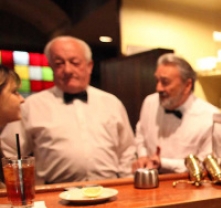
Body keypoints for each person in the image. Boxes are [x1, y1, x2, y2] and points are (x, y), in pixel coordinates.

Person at [0, 36, 136, 184]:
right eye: (59, 64)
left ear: (89, 66)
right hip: (54, 192)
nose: (68, 70)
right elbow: (10, 152)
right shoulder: (31, 105)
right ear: (51, 67)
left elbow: (126, 151)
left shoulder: (111, 102)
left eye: (74, 62)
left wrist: (126, 185)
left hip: (110, 188)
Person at [132, 53, 221, 174]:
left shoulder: (211, 117)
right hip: (149, 183)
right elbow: (141, 132)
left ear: (187, 85)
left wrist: (163, 163)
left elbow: (209, 165)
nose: (158, 88)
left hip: (189, 187)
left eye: (165, 82)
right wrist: (143, 155)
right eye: (157, 80)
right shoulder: (150, 102)